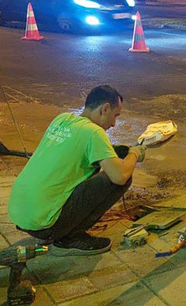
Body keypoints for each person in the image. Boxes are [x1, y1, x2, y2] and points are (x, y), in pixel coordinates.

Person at [8, 85, 146, 256]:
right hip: (45, 224)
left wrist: (115, 150)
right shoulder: (94, 132)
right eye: (115, 116)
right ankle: (70, 237)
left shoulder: (62, 119)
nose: (113, 123)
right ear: (105, 109)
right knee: (121, 178)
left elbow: (80, 149)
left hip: (21, 214)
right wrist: (134, 154)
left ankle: (57, 229)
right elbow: (120, 176)